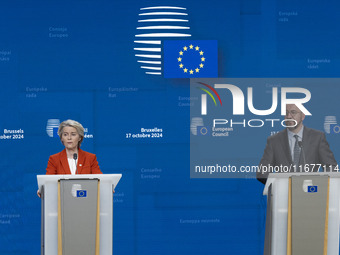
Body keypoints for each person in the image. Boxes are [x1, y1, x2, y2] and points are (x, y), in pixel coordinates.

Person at [257, 104, 338, 184]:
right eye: (286, 113)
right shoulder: (274, 141)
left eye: (293, 112)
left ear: (302, 116)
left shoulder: (317, 137)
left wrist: (317, 184)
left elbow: (331, 167)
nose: (289, 116)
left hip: (311, 193)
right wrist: (279, 183)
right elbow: (262, 173)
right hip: (283, 195)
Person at [37, 119, 102, 197]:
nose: (69, 138)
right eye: (65, 134)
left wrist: (106, 188)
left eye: (73, 134)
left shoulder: (90, 158)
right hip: (62, 201)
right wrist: (43, 189)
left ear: (80, 138)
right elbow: (48, 182)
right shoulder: (54, 159)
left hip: (85, 200)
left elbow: (100, 180)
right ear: (61, 138)